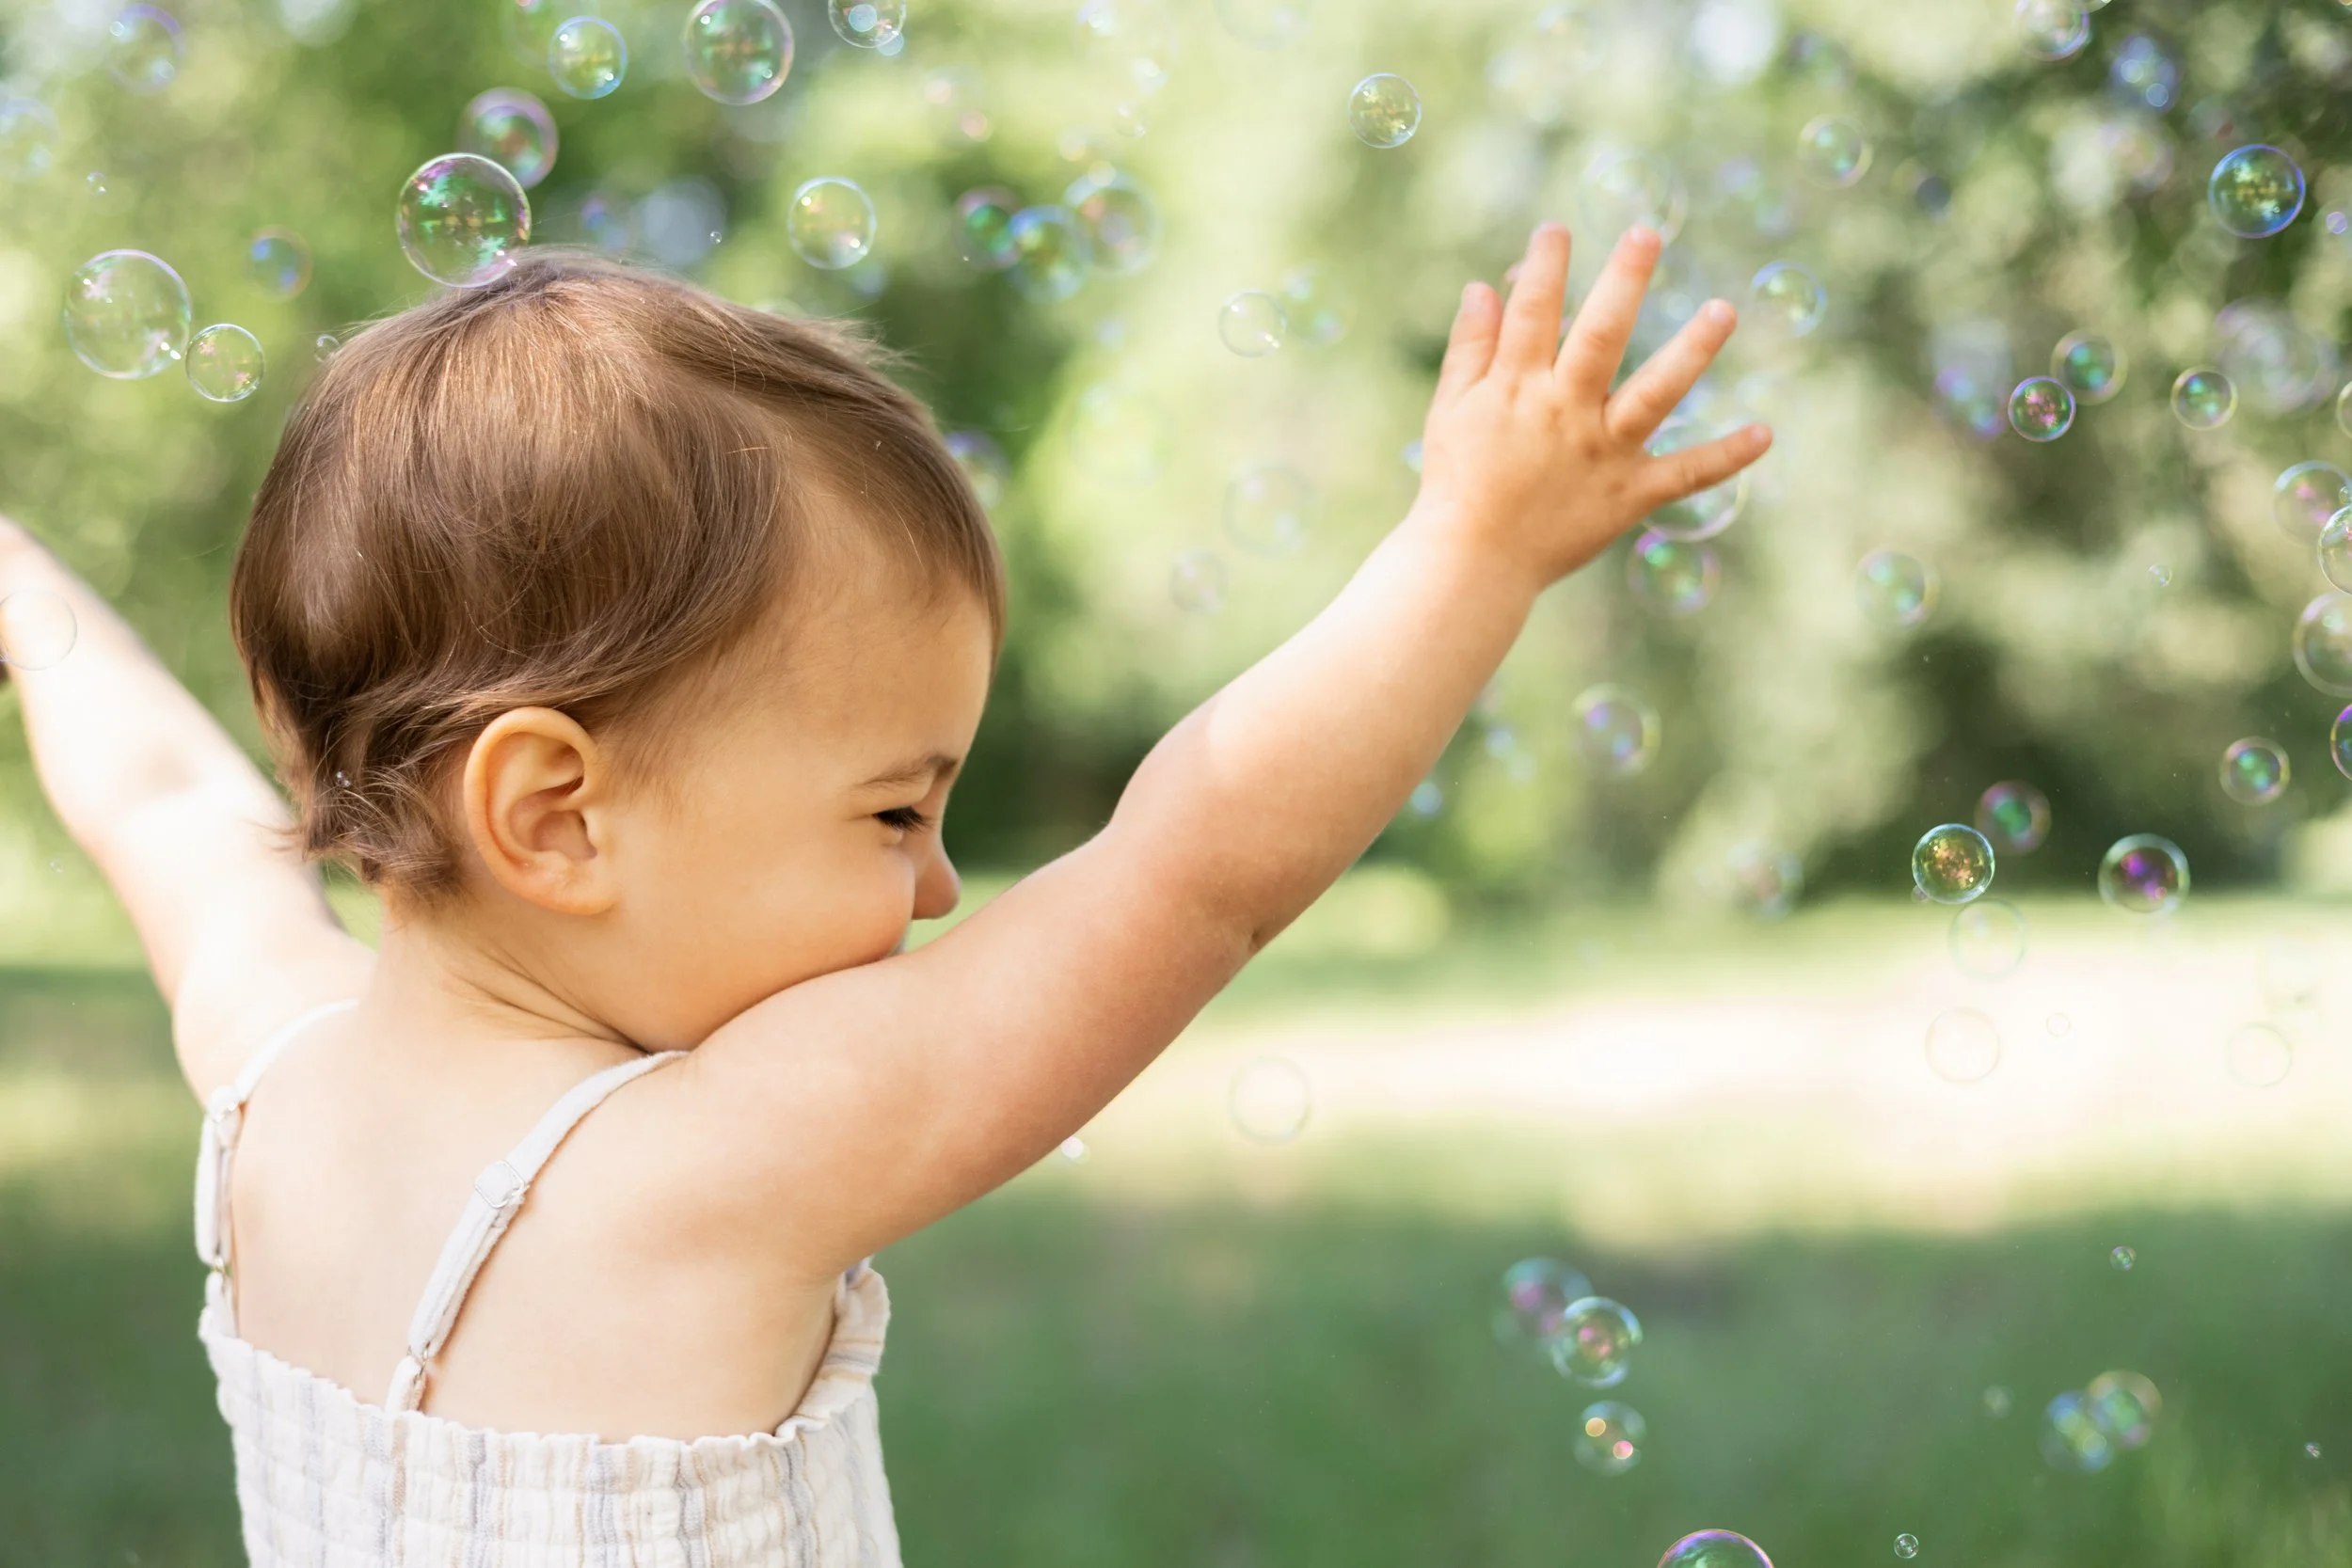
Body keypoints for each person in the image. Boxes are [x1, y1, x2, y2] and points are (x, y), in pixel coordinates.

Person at [2, 222, 1765, 1564]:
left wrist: (18, 583)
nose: (937, 886)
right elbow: (1196, 871)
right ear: (555, 814)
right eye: (894, 807)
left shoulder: (263, 1067)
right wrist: (1473, 546)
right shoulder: (716, 1168)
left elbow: (157, 796)